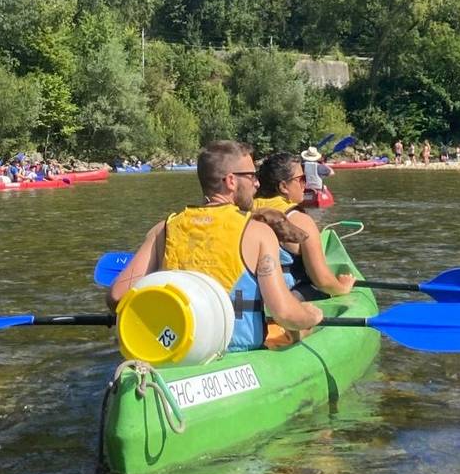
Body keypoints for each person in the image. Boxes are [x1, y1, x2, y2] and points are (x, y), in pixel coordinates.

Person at [107, 141, 323, 351]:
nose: (257, 184)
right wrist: (312, 316)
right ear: (230, 181)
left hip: (176, 350)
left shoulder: (164, 229)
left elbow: (117, 297)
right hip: (235, 352)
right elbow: (284, 313)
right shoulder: (257, 232)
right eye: (251, 176)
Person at [254, 153, 356, 299]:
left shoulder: (246, 211)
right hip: (287, 296)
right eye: (301, 179)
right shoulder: (299, 220)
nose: (306, 184)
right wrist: (343, 288)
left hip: (255, 293)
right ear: (283, 186)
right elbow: (322, 280)